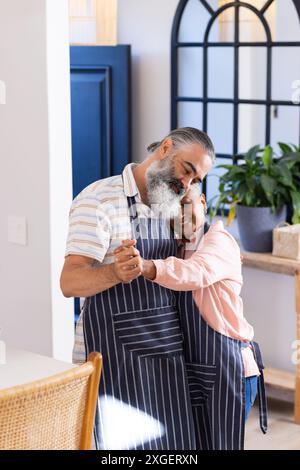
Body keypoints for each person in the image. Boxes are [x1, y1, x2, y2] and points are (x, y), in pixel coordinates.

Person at [60, 127, 214, 450]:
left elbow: (191, 271)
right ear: (166, 148)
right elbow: (69, 281)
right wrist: (115, 272)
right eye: (187, 170)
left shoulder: (175, 207)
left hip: (166, 357)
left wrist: (198, 219)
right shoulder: (98, 200)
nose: (187, 183)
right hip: (111, 361)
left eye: (196, 179)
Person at [114, 185, 268, 450]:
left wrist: (147, 267)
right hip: (197, 373)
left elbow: (196, 273)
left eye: (187, 203)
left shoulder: (218, 241)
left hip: (229, 370)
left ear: (203, 202)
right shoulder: (178, 248)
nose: (180, 213)